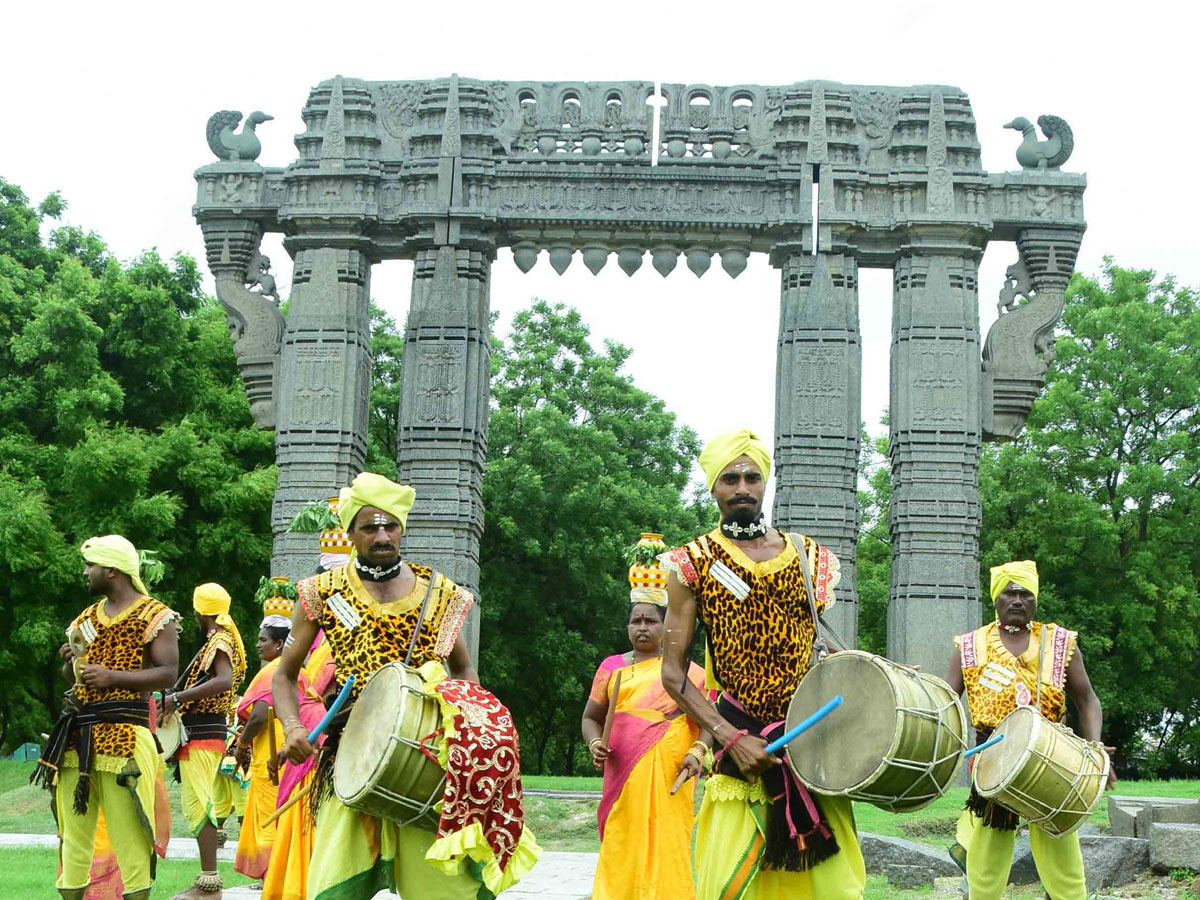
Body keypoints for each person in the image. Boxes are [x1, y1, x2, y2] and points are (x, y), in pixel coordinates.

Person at [273, 472, 541, 900]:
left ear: (401, 529)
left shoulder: (440, 593)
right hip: (351, 754)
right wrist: (291, 728)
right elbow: (284, 674)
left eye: (390, 525)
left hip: (426, 755)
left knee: (444, 889)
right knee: (334, 888)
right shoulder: (320, 592)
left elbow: (465, 673)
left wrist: (471, 728)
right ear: (351, 534)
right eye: (369, 527)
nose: (382, 535)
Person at [659, 429, 866, 900]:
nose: (742, 488)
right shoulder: (693, 562)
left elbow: (823, 647)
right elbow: (673, 674)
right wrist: (731, 739)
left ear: (765, 483)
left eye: (752, 477)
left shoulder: (808, 556)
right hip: (740, 743)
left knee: (834, 890)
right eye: (729, 479)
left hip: (812, 741)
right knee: (728, 887)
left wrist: (878, 675)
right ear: (713, 488)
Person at [946, 560, 1113, 900]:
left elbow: (1088, 700)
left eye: (1026, 594)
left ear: (1035, 600)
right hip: (993, 760)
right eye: (1010, 592)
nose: (1018, 600)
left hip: (1053, 757)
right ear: (996, 599)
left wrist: (1095, 746)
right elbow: (945, 703)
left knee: (1061, 845)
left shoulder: (1060, 643)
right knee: (988, 853)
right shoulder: (969, 646)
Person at [34, 535, 180, 900]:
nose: (85, 572)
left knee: (130, 835)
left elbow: (167, 674)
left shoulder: (155, 615)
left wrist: (114, 677)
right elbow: (78, 679)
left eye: (91, 566)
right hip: (78, 738)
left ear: (112, 570)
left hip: (125, 739)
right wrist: (72, 665)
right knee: (73, 837)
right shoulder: (85, 619)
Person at [581, 532, 713, 900]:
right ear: (627, 625)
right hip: (621, 776)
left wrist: (697, 753)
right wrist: (594, 741)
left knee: (668, 847)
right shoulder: (611, 668)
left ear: (665, 625)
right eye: (636, 620)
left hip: (672, 774)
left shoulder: (689, 672)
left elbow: (708, 725)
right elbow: (591, 717)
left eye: (651, 621)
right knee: (621, 845)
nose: (642, 627)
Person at [159, 583, 247, 900]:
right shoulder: (217, 639)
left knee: (201, 804)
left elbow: (223, 681)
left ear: (199, 611)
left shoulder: (220, 640)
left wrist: (178, 697)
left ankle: (210, 885)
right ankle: (205, 881)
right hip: (200, 733)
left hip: (204, 734)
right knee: (196, 804)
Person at [232, 590, 296, 882]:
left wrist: (242, 744)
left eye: (263, 640)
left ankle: (273, 876)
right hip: (291, 751)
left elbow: (258, 716)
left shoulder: (272, 671)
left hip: (272, 752)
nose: (258, 645)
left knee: (271, 813)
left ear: (280, 644)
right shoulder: (295, 669)